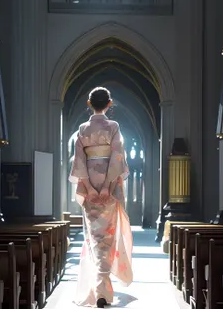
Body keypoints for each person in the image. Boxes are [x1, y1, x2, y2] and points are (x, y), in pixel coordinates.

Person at [69, 87, 133, 308]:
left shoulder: (82, 129)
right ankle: (102, 290)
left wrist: (88, 187)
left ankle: (100, 289)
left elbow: (78, 161)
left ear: (89, 103)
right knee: (106, 238)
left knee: (94, 239)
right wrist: (107, 187)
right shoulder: (113, 127)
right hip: (109, 188)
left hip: (89, 190)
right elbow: (117, 156)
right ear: (109, 104)